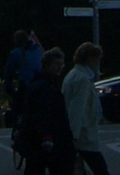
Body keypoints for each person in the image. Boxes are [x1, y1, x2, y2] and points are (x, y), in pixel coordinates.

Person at [18, 47, 73, 175]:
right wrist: (47, 135)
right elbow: (43, 113)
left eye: (61, 64)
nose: (59, 67)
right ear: (47, 65)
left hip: (39, 139)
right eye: (56, 64)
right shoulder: (46, 87)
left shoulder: (41, 84)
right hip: (47, 139)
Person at [62, 42, 109, 175]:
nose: (97, 63)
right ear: (89, 59)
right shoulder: (82, 79)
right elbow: (77, 109)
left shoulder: (74, 75)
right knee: (100, 169)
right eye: (96, 59)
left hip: (80, 134)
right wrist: (74, 135)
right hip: (84, 135)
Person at [3, 30, 42, 113]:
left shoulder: (16, 53)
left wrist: (10, 90)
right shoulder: (38, 51)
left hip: (26, 89)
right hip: (40, 88)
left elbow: (8, 73)